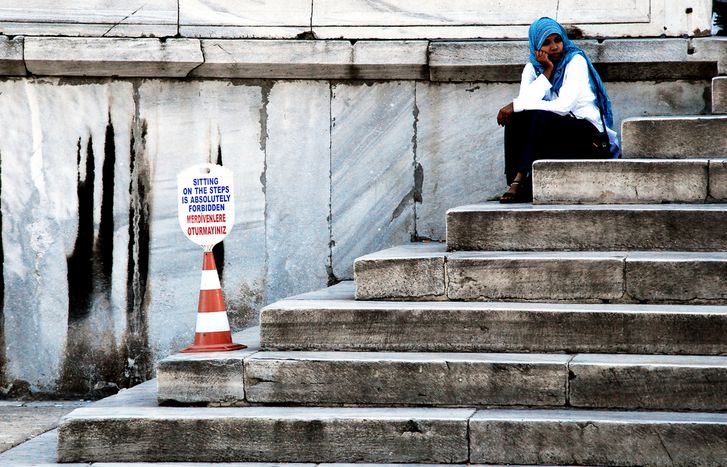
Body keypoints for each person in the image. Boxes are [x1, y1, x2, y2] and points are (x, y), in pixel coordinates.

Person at [497, 17, 619, 203]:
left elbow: (563, 107)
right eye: (546, 43)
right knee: (517, 118)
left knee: (535, 115)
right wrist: (547, 71)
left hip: (588, 137)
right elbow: (524, 104)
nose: (554, 47)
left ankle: (520, 180)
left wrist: (516, 105)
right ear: (536, 46)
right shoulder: (532, 67)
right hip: (555, 137)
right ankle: (515, 179)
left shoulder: (575, 61)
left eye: (558, 40)